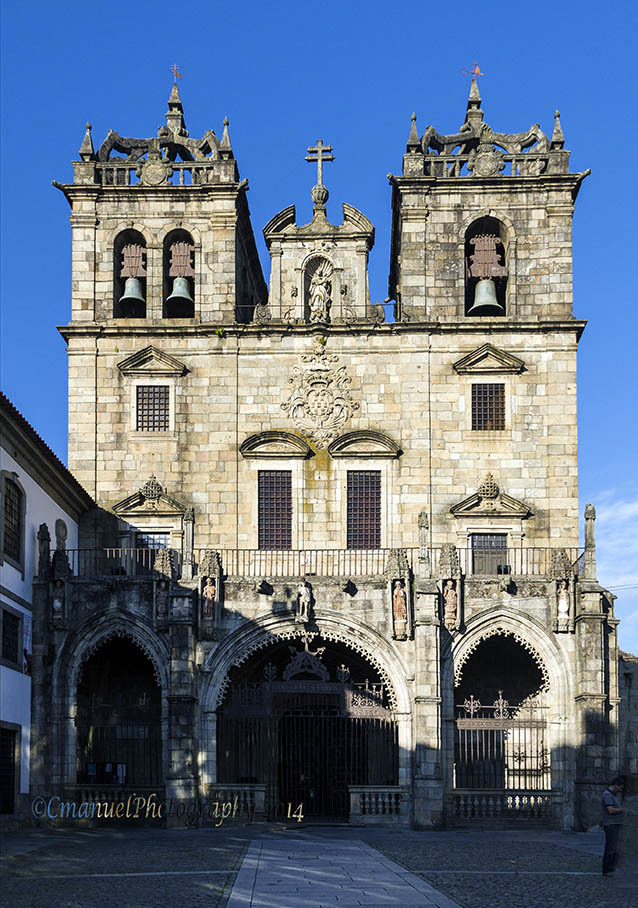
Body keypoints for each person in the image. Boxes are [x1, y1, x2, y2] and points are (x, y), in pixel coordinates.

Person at [601, 776, 624, 875]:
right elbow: (610, 810)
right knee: (611, 848)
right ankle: (607, 869)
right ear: (615, 785)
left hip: (616, 824)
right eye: (620, 788)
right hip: (611, 824)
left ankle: (612, 868)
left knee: (615, 847)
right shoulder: (607, 795)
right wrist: (624, 810)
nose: (620, 790)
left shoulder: (614, 795)